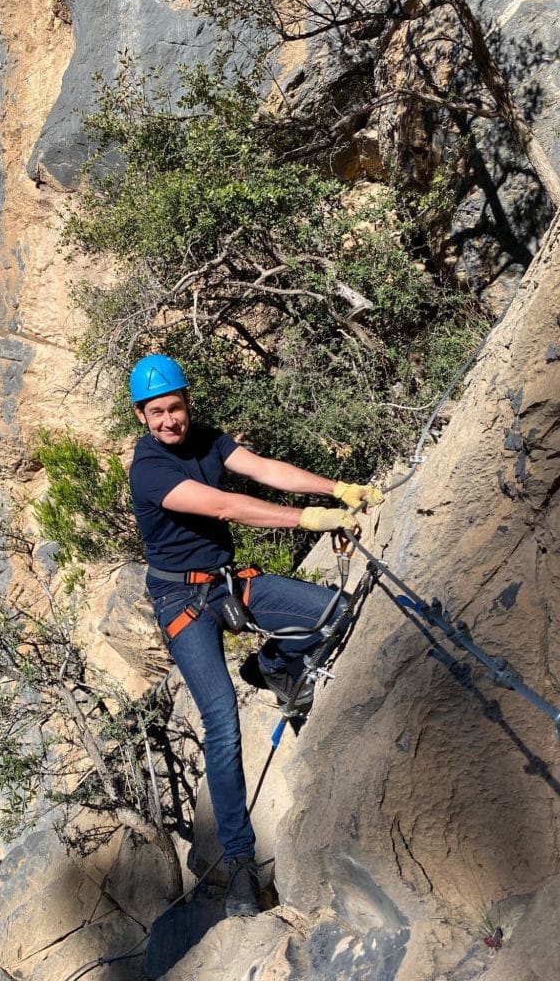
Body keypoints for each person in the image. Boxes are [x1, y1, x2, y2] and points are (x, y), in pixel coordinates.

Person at [128, 354, 383, 917]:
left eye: (175, 408)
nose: (169, 420)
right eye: (157, 413)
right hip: (180, 601)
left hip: (225, 583)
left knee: (335, 611)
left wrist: (338, 489)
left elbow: (265, 470)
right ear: (142, 416)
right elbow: (223, 505)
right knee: (221, 720)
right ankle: (242, 862)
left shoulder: (209, 441)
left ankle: (273, 664)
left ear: (186, 403)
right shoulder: (147, 468)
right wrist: (309, 519)